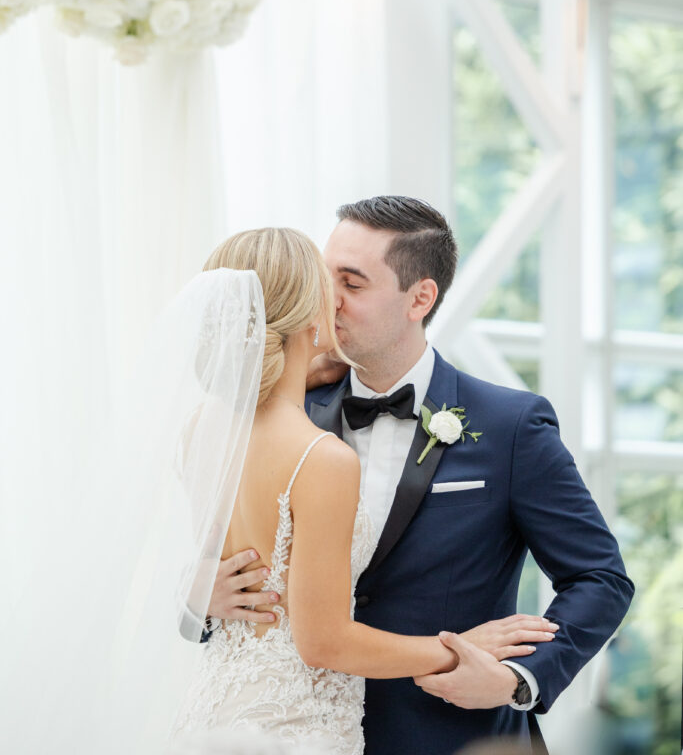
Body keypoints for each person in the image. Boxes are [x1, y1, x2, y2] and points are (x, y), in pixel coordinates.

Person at [202, 196, 634, 755]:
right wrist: (201, 598)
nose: (326, 301)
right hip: (297, 732)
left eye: (352, 285)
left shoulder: (511, 426)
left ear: (420, 298)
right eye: (323, 278)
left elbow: (600, 579)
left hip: (456, 736)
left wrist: (514, 680)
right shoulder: (281, 418)